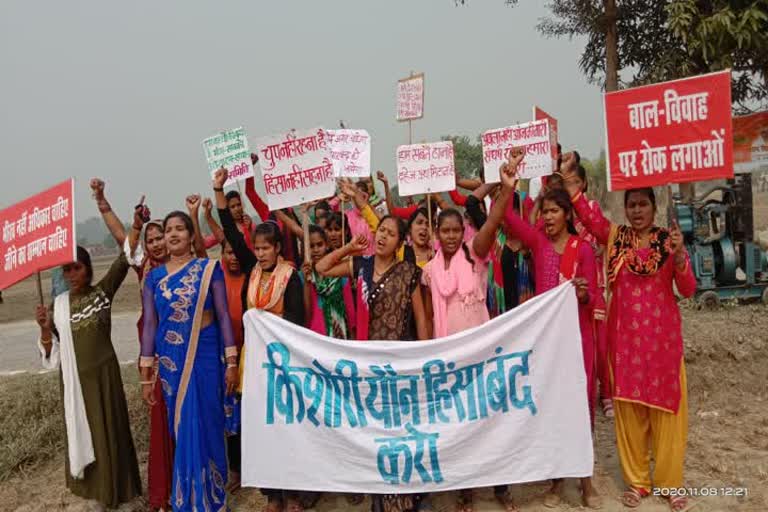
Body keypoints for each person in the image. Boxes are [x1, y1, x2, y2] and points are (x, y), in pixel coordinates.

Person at [561, 153, 696, 512]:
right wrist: (570, 184)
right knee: (630, 416)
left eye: (643, 204)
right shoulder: (616, 238)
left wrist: (681, 259)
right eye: (631, 205)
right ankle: (637, 481)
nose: (637, 211)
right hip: (625, 346)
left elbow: (689, 289)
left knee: (668, 417)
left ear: (654, 207)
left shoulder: (669, 242)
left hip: (663, 346)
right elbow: (589, 217)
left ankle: (668, 484)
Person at [497, 151, 601, 509]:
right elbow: (508, 219)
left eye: (555, 211)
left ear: (568, 215)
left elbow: (595, 298)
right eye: (545, 212)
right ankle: (557, 482)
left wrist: (585, 295)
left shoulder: (583, 248)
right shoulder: (538, 244)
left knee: (581, 406)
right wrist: (508, 186)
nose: (548, 217)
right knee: (553, 406)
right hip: (547, 344)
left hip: (579, 338)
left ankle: (586, 483)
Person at [316, 216, 428, 512]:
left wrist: (424, 359)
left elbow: (420, 318)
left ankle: (406, 496)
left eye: (391, 234)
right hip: (368, 366)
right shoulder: (361, 266)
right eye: (381, 231)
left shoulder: (409, 272)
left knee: (401, 432)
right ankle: (380, 497)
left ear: (400, 242)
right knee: (376, 433)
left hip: (400, 365)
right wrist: (349, 248)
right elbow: (321, 268)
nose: (383, 237)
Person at [214, 168, 307, 512]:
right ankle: (273, 495)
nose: (261, 252)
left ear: (279, 248)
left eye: (267, 247)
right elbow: (229, 232)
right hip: (255, 366)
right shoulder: (252, 270)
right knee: (263, 430)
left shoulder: (290, 278)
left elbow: (296, 324)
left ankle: (294, 493)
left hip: (283, 365)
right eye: (257, 247)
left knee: (287, 427)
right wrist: (218, 189)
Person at [139, 210, 239, 512]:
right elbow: (150, 327)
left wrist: (231, 360)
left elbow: (223, 315)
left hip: (207, 355)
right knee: (183, 427)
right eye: (168, 230)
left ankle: (215, 498)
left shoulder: (210, 269)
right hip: (172, 363)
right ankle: (189, 499)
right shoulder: (154, 278)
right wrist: (146, 374)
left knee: (208, 421)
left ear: (190, 235)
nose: (172, 234)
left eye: (179, 229)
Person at [89, 178, 175, 510]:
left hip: (185, 347)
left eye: (160, 238)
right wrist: (103, 201)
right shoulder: (144, 269)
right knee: (160, 418)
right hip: (153, 348)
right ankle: (162, 493)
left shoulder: (185, 265)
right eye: (150, 240)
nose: (154, 244)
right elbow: (121, 239)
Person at [35, 246, 141, 508]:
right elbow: (54, 354)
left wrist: (134, 224)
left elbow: (122, 260)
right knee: (87, 435)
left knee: (111, 432)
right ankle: (97, 494)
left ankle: (121, 493)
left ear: (88, 268)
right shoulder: (57, 307)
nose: (72, 274)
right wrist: (46, 330)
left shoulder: (101, 294)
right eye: (67, 269)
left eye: (77, 267)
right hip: (76, 385)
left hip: (105, 379)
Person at [420, 208, 494, 512]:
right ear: (437, 233)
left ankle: (493, 483)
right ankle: (463, 486)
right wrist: (426, 352)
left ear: (463, 231)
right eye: (445, 231)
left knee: (481, 417)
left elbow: (493, 222)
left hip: (476, 354)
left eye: (455, 231)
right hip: (447, 355)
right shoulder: (430, 269)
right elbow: (427, 313)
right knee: (456, 421)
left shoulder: (473, 255)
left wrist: (504, 189)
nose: (451, 236)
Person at [569, 165, 613, 418]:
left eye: (576, 182)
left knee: (601, 344)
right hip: (573, 292)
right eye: (568, 182)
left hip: (596, 285)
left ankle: (606, 393)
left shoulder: (592, 209)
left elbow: (605, 239)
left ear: (584, 184)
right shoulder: (566, 216)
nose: (571, 186)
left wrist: (600, 251)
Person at [301, 225, 355, 339]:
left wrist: (354, 335)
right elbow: (306, 314)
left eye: (319, 245)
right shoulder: (302, 275)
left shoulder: (340, 271)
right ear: (305, 249)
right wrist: (306, 283)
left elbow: (349, 305)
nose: (315, 250)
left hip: (342, 332)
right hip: (317, 335)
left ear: (327, 245)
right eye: (311, 246)